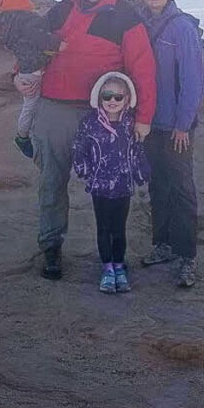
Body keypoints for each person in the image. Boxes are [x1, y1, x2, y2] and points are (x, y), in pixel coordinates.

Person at [14, 0, 156, 281]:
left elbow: (144, 71)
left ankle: (110, 257)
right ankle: (51, 247)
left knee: (107, 185)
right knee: (51, 180)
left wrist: (145, 118)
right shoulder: (61, 10)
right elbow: (33, 44)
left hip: (102, 114)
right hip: (55, 108)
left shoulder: (125, 16)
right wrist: (20, 72)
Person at [137, 0, 204, 288]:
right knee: (158, 186)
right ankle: (162, 245)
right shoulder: (141, 25)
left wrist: (183, 124)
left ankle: (187, 256)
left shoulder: (181, 27)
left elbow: (192, 80)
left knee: (181, 189)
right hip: (150, 124)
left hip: (176, 127)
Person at [72, 72, 150, 293]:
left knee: (119, 229)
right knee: (103, 227)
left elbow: (136, 151)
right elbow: (80, 148)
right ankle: (107, 268)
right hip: (100, 186)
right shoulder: (90, 123)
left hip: (123, 186)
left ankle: (119, 266)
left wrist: (141, 173)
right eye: (107, 96)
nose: (112, 101)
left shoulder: (130, 125)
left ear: (127, 98)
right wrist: (83, 171)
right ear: (99, 98)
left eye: (118, 96)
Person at [0, 0, 64, 158]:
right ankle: (23, 137)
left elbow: (25, 50)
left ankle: (28, 136)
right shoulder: (27, 23)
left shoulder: (7, 26)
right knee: (32, 105)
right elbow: (39, 40)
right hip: (34, 70)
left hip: (27, 69)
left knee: (32, 104)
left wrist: (16, 75)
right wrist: (58, 45)